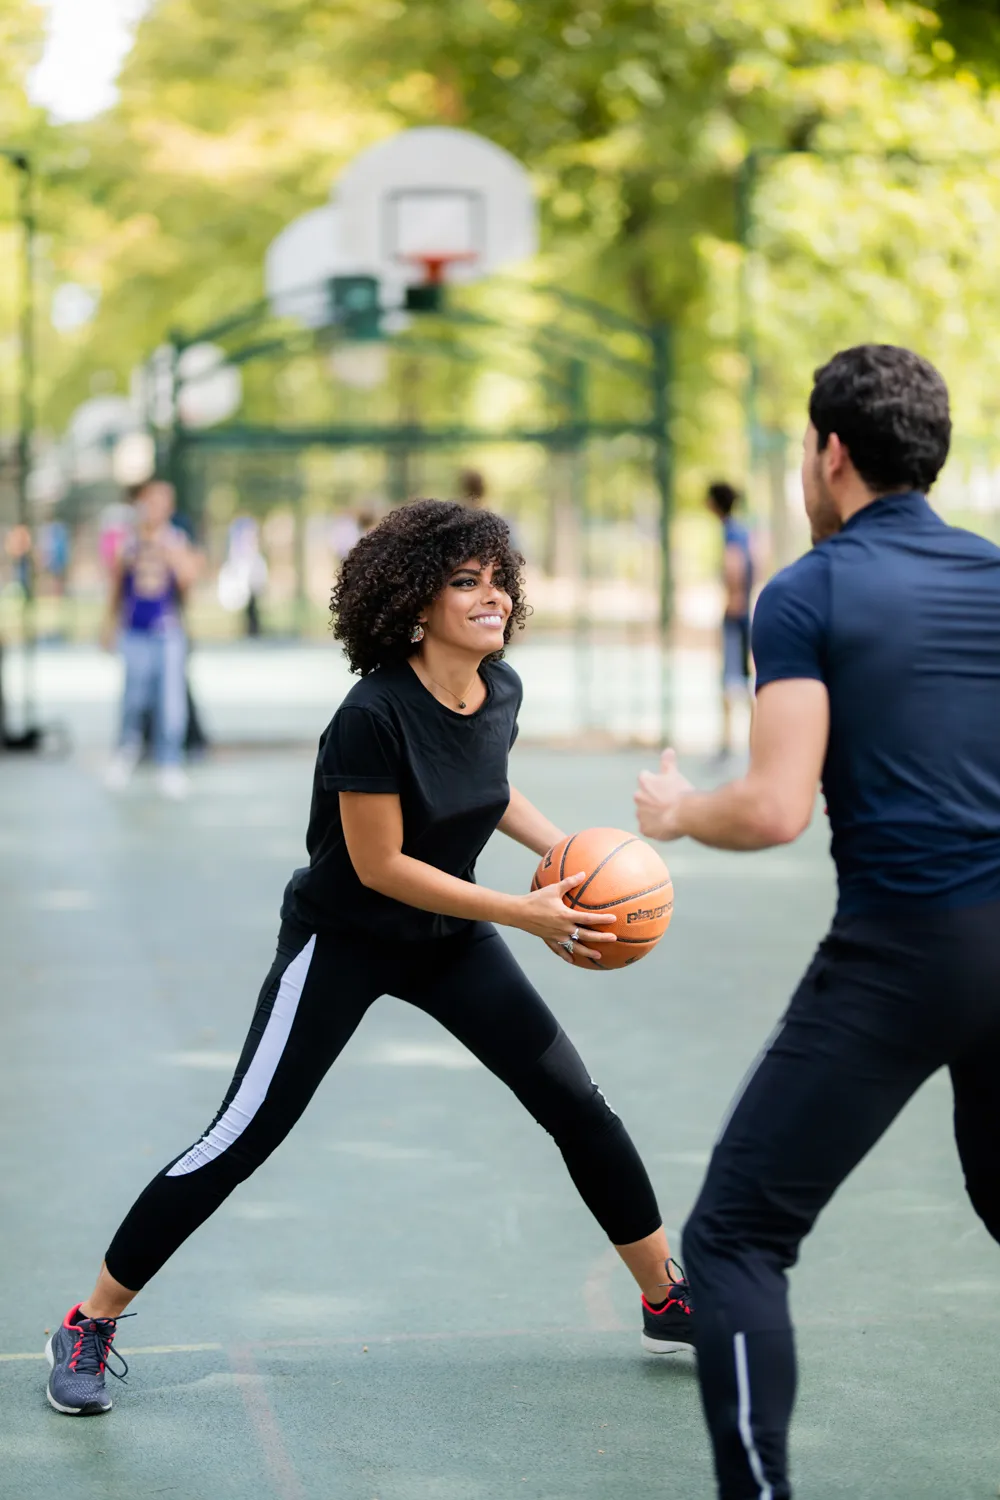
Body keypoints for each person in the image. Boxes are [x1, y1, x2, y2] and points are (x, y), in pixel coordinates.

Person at [45, 498, 695, 1417]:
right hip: (344, 939)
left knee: (577, 1107)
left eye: (498, 579)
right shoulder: (372, 715)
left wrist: (576, 864)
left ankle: (667, 1297)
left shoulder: (497, 689)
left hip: (450, 936)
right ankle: (88, 1319)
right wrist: (522, 910)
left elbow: (491, 785)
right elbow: (379, 865)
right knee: (243, 1136)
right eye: (465, 582)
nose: (493, 596)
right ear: (414, 606)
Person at [634, 344, 1000, 1499]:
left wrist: (679, 812)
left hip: (908, 951)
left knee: (735, 1241)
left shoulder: (809, 588)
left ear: (830, 454)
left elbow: (775, 806)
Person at [102, 479, 202, 799]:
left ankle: (169, 761)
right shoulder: (127, 543)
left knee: (170, 700)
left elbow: (188, 581)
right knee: (134, 694)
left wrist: (171, 553)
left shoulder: (175, 539)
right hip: (134, 631)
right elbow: (117, 586)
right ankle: (126, 750)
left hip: (167, 630)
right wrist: (108, 624)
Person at [705, 481, 753, 760]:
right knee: (740, 679)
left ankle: (729, 743)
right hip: (742, 613)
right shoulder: (742, 530)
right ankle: (742, 740)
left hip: (736, 615)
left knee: (731, 679)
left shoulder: (731, 532)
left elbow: (734, 565)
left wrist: (732, 600)